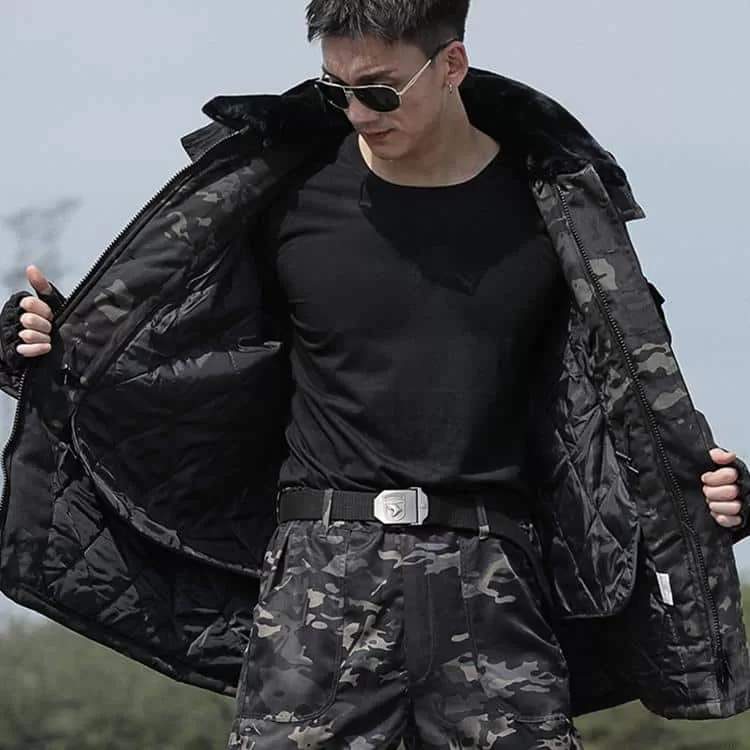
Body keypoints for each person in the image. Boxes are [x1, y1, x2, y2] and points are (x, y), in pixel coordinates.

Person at [1, 1, 748, 748]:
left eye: (379, 91)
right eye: (336, 90)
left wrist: (704, 493)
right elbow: (186, 355)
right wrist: (60, 346)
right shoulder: (284, 194)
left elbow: (613, 406)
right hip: (318, 584)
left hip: (495, 585)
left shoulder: (554, 213)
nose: (358, 112)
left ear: (451, 65)